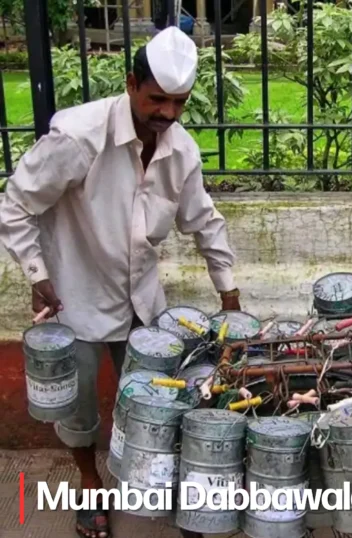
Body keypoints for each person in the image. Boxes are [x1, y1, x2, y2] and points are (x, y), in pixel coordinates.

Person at [0, 27, 238, 538]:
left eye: (179, 103)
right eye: (158, 100)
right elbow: (16, 203)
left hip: (143, 305)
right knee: (80, 404)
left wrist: (230, 293)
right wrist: (38, 275)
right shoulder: (79, 137)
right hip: (77, 298)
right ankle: (89, 483)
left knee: (159, 399)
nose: (168, 114)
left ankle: (152, 485)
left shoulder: (181, 151)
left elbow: (205, 221)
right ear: (131, 84)